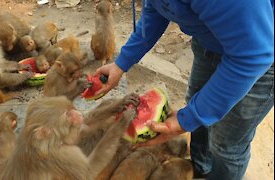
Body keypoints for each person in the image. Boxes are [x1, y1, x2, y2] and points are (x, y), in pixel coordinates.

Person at [94, 0, 274, 179]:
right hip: (210, 41)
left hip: (260, 55)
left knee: (227, 146)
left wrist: (188, 118)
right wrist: (121, 63)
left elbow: (254, 56)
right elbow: (157, 8)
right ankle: (201, 167)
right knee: (197, 108)